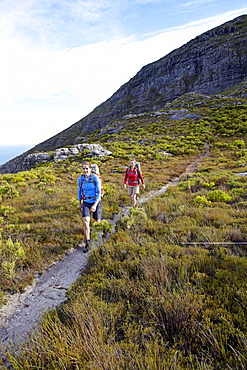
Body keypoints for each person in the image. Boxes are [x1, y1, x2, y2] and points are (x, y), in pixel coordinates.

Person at [78, 162, 102, 252]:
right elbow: (79, 191)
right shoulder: (80, 179)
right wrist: (80, 203)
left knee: (97, 222)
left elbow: (99, 193)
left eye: (87, 168)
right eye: (83, 169)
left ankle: (98, 239)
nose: (85, 170)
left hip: (96, 201)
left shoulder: (95, 178)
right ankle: (87, 243)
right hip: (86, 202)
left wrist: (95, 205)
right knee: (85, 222)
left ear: (90, 169)